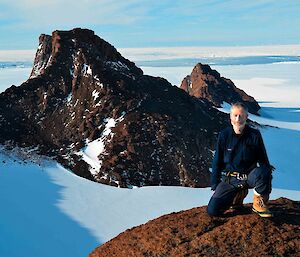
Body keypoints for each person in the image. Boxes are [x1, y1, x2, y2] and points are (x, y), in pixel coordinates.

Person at [207, 102, 274, 218]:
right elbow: (217, 161)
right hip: (230, 179)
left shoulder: (254, 135)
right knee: (213, 210)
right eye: (235, 115)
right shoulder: (224, 135)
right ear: (230, 116)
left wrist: (265, 183)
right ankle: (236, 197)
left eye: (241, 115)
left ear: (246, 117)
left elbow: (263, 159)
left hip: (249, 177)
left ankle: (258, 204)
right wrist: (215, 185)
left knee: (264, 170)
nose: (238, 119)